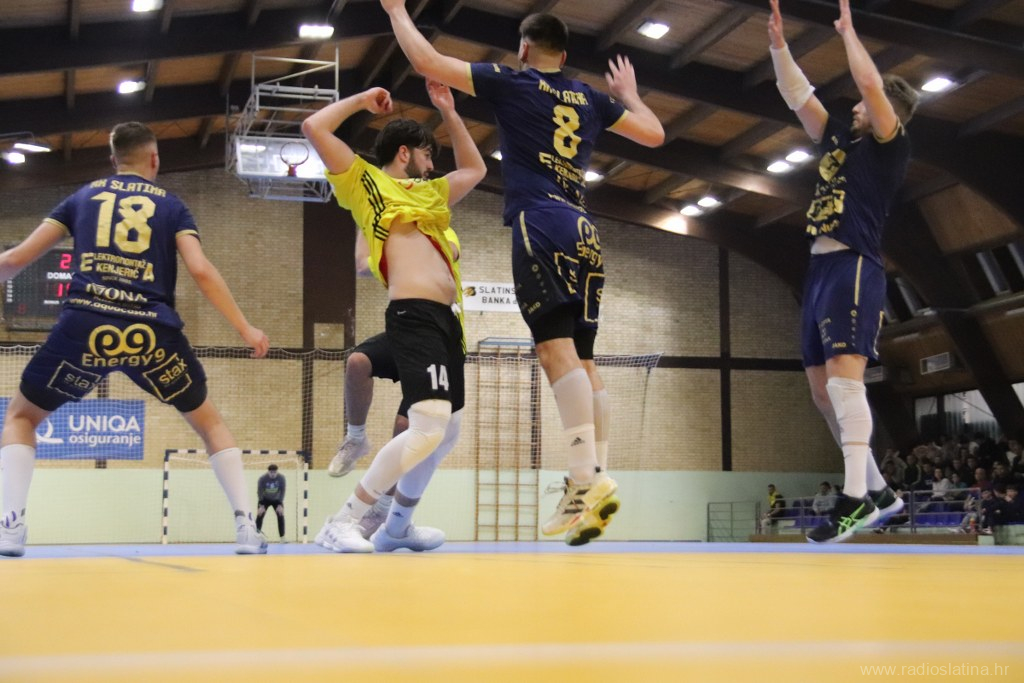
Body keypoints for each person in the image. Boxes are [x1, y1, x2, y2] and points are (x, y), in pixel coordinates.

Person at [380, 1, 665, 545]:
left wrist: (396, 10)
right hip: (584, 229)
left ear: (525, 47)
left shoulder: (513, 82)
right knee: (583, 359)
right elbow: (654, 135)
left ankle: (585, 480)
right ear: (566, 53)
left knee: (554, 351)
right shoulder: (590, 98)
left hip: (541, 222)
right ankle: (593, 480)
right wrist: (629, 94)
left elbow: (426, 60)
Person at [0, 122, 270, 557]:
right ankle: (246, 527)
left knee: (21, 417)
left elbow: (15, 260)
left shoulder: (82, 197)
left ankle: (10, 527)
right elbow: (201, 270)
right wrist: (245, 328)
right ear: (155, 159)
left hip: (86, 326)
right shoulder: (173, 206)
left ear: (113, 159)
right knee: (210, 424)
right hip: (152, 333)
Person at [302, 79, 485, 553]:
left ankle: (398, 526)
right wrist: (363, 101)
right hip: (414, 315)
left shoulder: (432, 196)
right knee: (427, 425)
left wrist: (448, 110)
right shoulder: (365, 183)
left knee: (446, 431)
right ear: (405, 153)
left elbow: (475, 168)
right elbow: (314, 127)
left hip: (449, 325)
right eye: (427, 154)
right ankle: (343, 520)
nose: (433, 164)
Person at [767, 0, 919, 543]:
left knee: (843, 379)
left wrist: (848, 33)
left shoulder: (890, 145)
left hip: (855, 264)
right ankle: (879, 492)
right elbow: (798, 96)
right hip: (820, 269)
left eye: (863, 103)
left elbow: (871, 84)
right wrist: (779, 46)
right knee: (820, 391)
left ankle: (854, 500)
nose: (854, 106)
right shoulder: (839, 138)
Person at [328, 227, 467, 545]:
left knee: (415, 431)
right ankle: (356, 438)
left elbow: (447, 254)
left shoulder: (439, 229)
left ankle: (389, 517)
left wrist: (393, 256)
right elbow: (363, 266)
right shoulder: (383, 229)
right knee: (358, 362)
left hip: (442, 337)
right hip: (408, 327)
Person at [256, 464, 286, 541]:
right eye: (271, 472)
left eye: (274, 472)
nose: (273, 474)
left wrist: (280, 504)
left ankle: (282, 537)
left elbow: (283, 491)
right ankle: (256, 536)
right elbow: (259, 491)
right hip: (264, 499)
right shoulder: (262, 478)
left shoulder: (281, 478)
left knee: (280, 514)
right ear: (268, 472)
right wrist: (261, 505)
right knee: (260, 515)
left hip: (276, 500)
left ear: (277, 472)